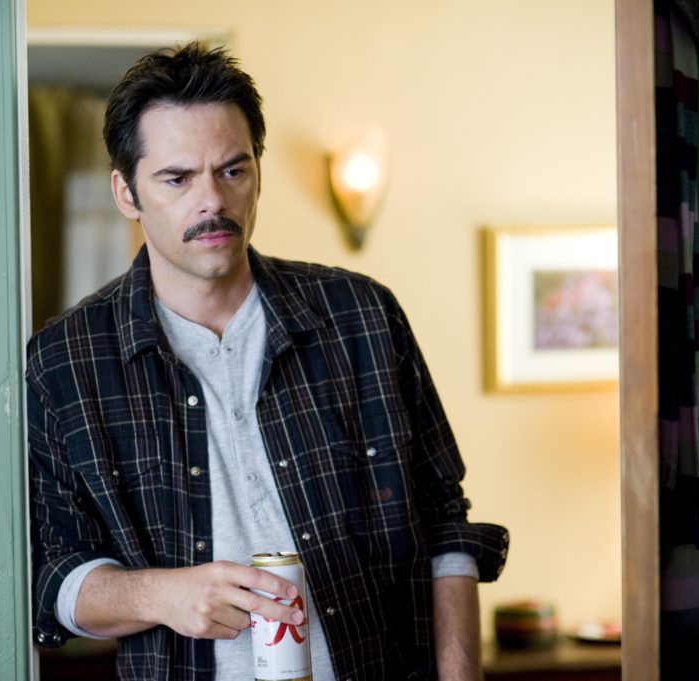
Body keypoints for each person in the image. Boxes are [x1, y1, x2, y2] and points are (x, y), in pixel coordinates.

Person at [26, 42, 509, 681]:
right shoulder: (64, 360)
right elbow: (51, 574)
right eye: (177, 178)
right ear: (126, 192)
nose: (212, 201)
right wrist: (162, 594)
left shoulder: (362, 316)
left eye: (233, 170)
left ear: (258, 172)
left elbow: (445, 521)